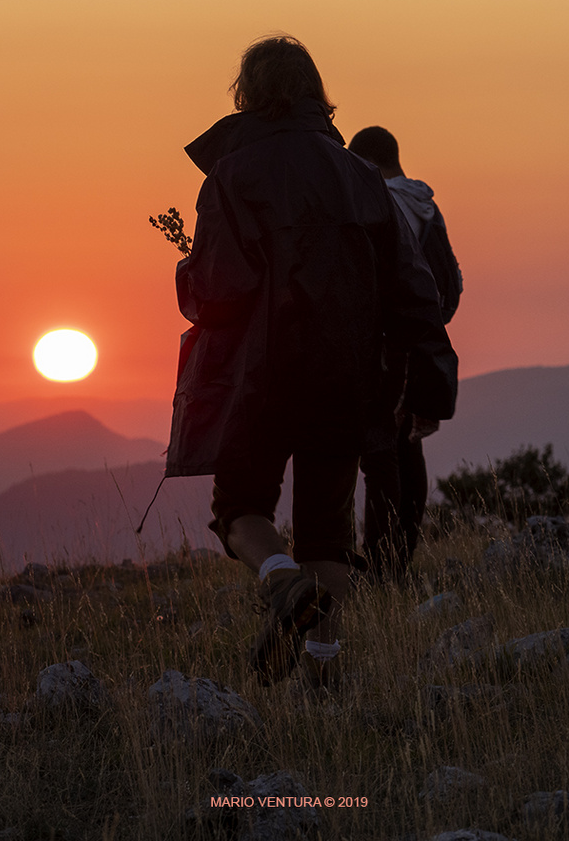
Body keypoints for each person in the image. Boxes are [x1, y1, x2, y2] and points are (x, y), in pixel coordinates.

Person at [165, 37, 457, 689]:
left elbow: (219, 291)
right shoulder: (359, 176)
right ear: (315, 92)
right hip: (348, 380)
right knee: (328, 532)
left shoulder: (232, 176)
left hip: (261, 379)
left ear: (248, 92)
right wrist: (431, 386)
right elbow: (412, 289)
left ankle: (280, 582)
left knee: (239, 508)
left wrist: (185, 275)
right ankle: (324, 676)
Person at [346, 126, 462, 579]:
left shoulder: (378, 205)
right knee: (407, 449)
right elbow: (449, 283)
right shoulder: (426, 206)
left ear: (365, 164)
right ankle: (399, 561)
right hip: (423, 344)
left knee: (379, 454)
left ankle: (379, 568)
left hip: (383, 348)